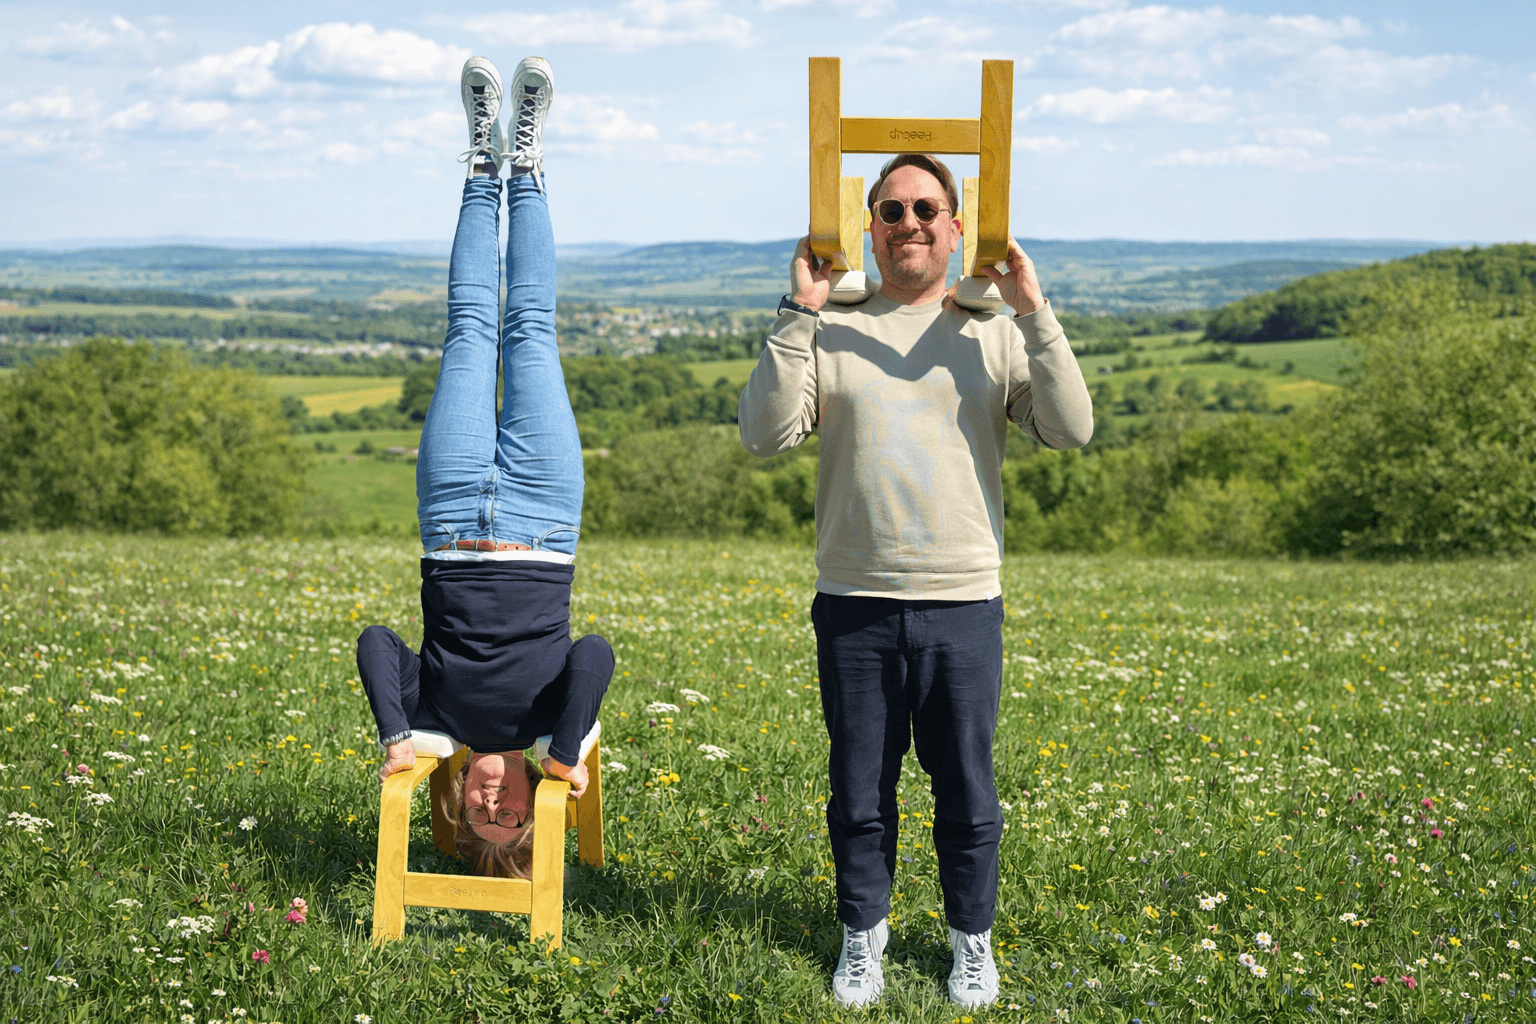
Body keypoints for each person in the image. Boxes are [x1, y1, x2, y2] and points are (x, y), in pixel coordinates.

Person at [738, 153, 1093, 1008]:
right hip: (854, 600)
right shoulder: (830, 324)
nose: (910, 224)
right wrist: (798, 311)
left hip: (962, 599)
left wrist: (1033, 308)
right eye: (891, 210)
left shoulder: (994, 326)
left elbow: (1072, 430)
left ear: (957, 224)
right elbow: (763, 435)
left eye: (927, 208)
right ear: (871, 225)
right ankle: (864, 936)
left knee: (967, 788)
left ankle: (972, 940)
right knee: (859, 786)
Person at [356, 55, 613, 880]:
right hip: (542, 514)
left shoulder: (434, 720)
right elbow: (597, 654)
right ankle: (528, 165)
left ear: (460, 796)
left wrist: (398, 739)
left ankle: (480, 160)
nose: (494, 805)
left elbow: (375, 641)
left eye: (482, 818)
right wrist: (565, 751)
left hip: (453, 512)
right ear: (536, 806)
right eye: (514, 819)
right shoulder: (548, 728)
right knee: (529, 327)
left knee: (470, 327)